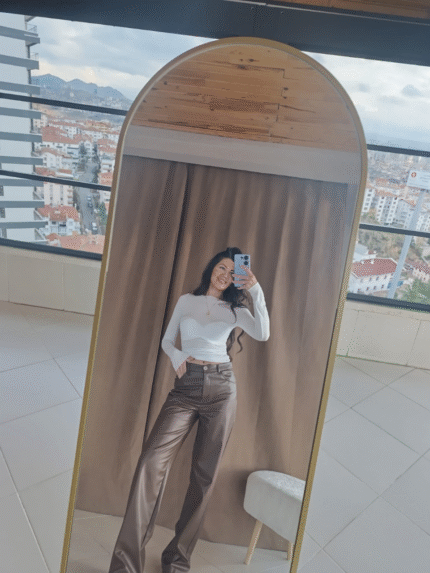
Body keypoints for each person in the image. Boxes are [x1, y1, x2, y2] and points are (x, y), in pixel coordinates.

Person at [108, 247, 270, 573]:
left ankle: (177, 561)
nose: (225, 275)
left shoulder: (236, 310)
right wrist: (177, 356)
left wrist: (255, 291)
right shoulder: (187, 301)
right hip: (186, 388)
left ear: (237, 277)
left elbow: (263, 334)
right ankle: (125, 565)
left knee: (204, 478)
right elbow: (168, 340)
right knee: (150, 463)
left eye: (232, 272)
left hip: (222, 390)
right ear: (212, 268)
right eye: (221, 267)